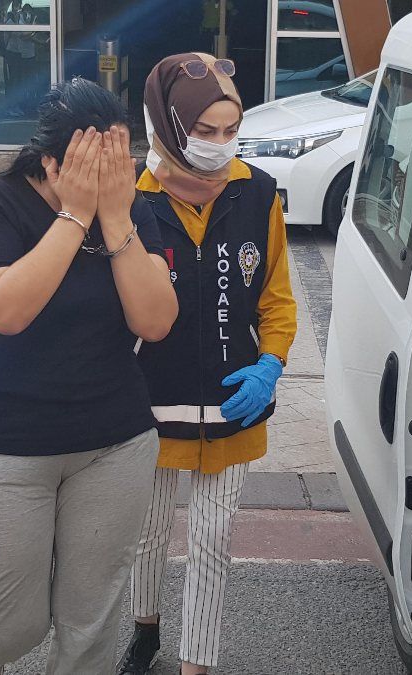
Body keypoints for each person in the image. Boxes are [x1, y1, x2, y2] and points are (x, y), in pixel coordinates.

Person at [0, 78, 178, 675]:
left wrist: (114, 220)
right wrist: (75, 215)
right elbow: (6, 310)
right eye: (95, 164)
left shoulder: (132, 212)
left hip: (114, 440)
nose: (112, 175)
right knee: (4, 626)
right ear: (49, 163)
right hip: (5, 439)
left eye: (120, 162)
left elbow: (155, 321)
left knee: (90, 618)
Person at [118, 53, 297, 675]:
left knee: (212, 539)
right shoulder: (130, 199)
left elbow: (276, 298)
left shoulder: (258, 193)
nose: (220, 145)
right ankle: (144, 629)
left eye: (231, 129)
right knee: (147, 532)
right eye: (204, 131)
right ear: (170, 127)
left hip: (232, 399)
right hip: (148, 400)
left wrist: (271, 363)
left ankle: (197, 662)